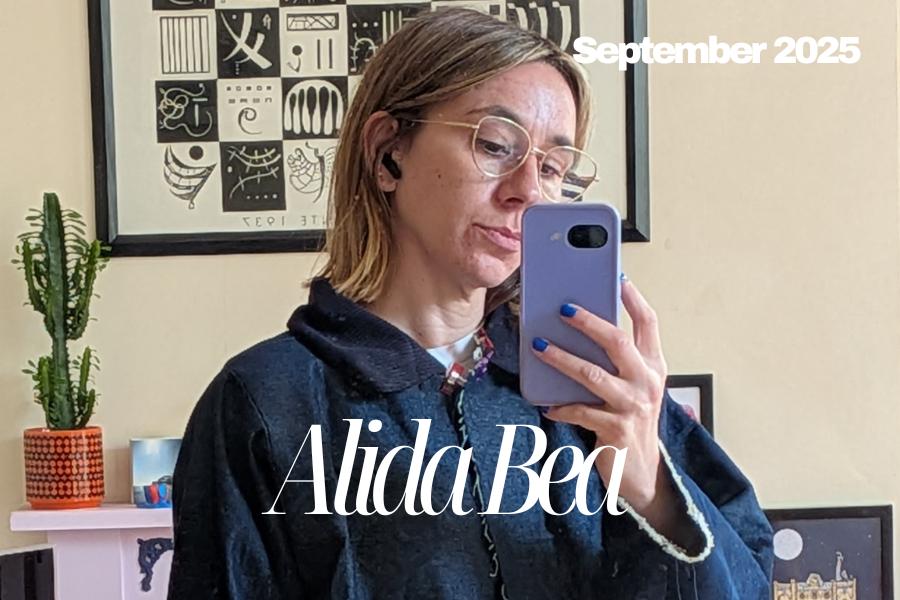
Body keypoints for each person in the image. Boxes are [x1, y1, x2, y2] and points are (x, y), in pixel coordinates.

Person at [168, 8, 773, 600]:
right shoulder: (266, 401)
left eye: (554, 168)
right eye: (495, 145)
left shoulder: (599, 388)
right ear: (388, 153)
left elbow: (749, 577)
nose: (528, 191)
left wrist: (651, 489)